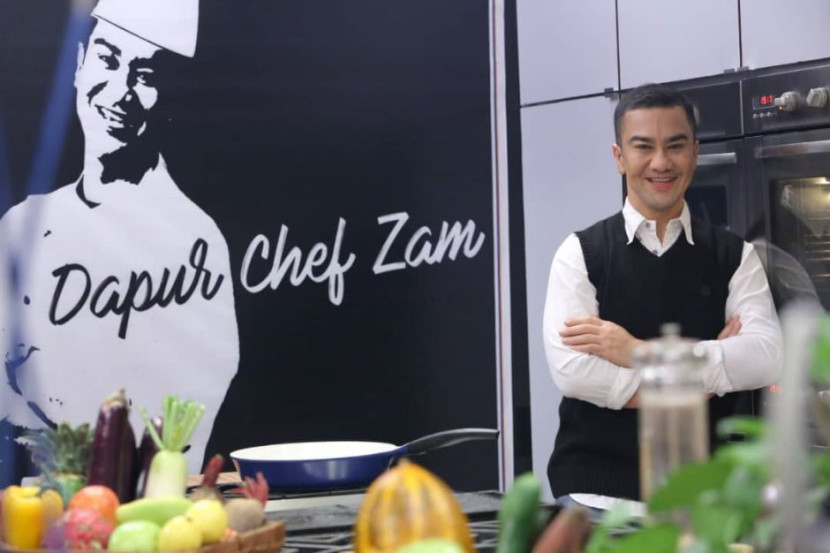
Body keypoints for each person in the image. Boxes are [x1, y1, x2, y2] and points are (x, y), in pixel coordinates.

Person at [0, 0, 239, 485]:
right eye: (108, 59)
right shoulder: (21, 225)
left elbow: (176, 432)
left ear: (169, 95)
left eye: (144, 75)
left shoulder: (197, 243)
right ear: (80, 64)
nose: (120, 90)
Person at [542, 83, 782, 511]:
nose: (661, 162)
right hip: (596, 496)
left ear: (694, 152)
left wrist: (638, 353)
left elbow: (766, 356)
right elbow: (574, 373)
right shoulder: (580, 254)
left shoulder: (734, 256)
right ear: (619, 157)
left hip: (702, 499)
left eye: (675, 146)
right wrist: (704, 380)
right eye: (643, 147)